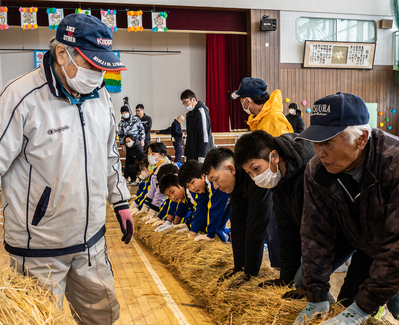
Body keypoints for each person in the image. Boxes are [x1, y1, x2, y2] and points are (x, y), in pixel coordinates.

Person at [0, 13, 134, 325]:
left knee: (102, 316)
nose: (99, 74)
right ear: (63, 54)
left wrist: (121, 200)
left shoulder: (100, 95)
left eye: (104, 65)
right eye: (92, 64)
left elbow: (109, 154)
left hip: (91, 242)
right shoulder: (21, 97)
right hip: (39, 250)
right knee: (38, 321)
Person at [293, 92, 399, 325]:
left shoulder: (394, 163)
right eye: (316, 142)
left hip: (390, 243)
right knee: (339, 300)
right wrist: (317, 295)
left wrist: (363, 307)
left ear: (361, 138)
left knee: (392, 301)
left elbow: (396, 245)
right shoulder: (316, 170)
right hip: (361, 240)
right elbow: (314, 232)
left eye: (328, 143)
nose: (319, 152)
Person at [234, 130, 354, 298]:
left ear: (274, 156)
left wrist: (311, 286)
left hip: (341, 236)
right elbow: (286, 233)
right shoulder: (278, 179)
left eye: (256, 168)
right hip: (321, 238)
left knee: (311, 286)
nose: (255, 177)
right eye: (249, 173)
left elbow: (320, 230)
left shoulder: (311, 169)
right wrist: (285, 279)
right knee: (297, 282)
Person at [202, 148, 279, 288]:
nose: (216, 186)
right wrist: (239, 266)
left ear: (231, 169)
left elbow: (256, 225)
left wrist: (249, 274)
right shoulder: (235, 182)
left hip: (279, 207)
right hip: (266, 206)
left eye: (216, 179)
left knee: (272, 232)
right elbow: (237, 224)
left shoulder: (254, 176)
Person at [178, 160, 230, 242]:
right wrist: (193, 232)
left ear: (202, 174)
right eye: (188, 186)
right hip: (228, 202)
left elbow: (216, 208)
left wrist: (210, 235)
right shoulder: (201, 189)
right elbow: (200, 208)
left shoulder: (213, 182)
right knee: (216, 228)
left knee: (217, 229)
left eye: (193, 182)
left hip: (237, 200)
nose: (192, 188)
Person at [180, 89, 214, 162]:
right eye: (183, 103)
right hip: (192, 153)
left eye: (186, 102)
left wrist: (202, 156)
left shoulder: (201, 111)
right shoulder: (189, 114)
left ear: (193, 99)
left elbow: (204, 135)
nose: (185, 105)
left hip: (201, 154)